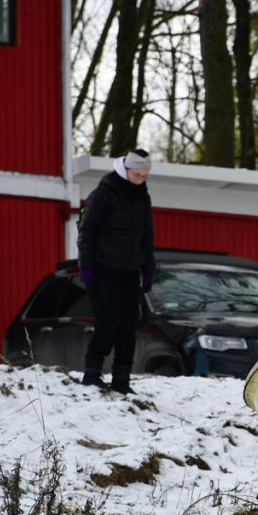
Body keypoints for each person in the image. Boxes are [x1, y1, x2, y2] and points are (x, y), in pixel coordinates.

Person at [77, 149, 156, 394]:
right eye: (136, 175)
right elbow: (86, 232)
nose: (140, 180)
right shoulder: (104, 193)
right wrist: (86, 266)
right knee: (109, 321)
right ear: (125, 169)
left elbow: (146, 236)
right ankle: (92, 373)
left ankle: (122, 379)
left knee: (128, 325)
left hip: (130, 271)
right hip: (103, 268)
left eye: (144, 176)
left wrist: (148, 271)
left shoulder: (142, 197)